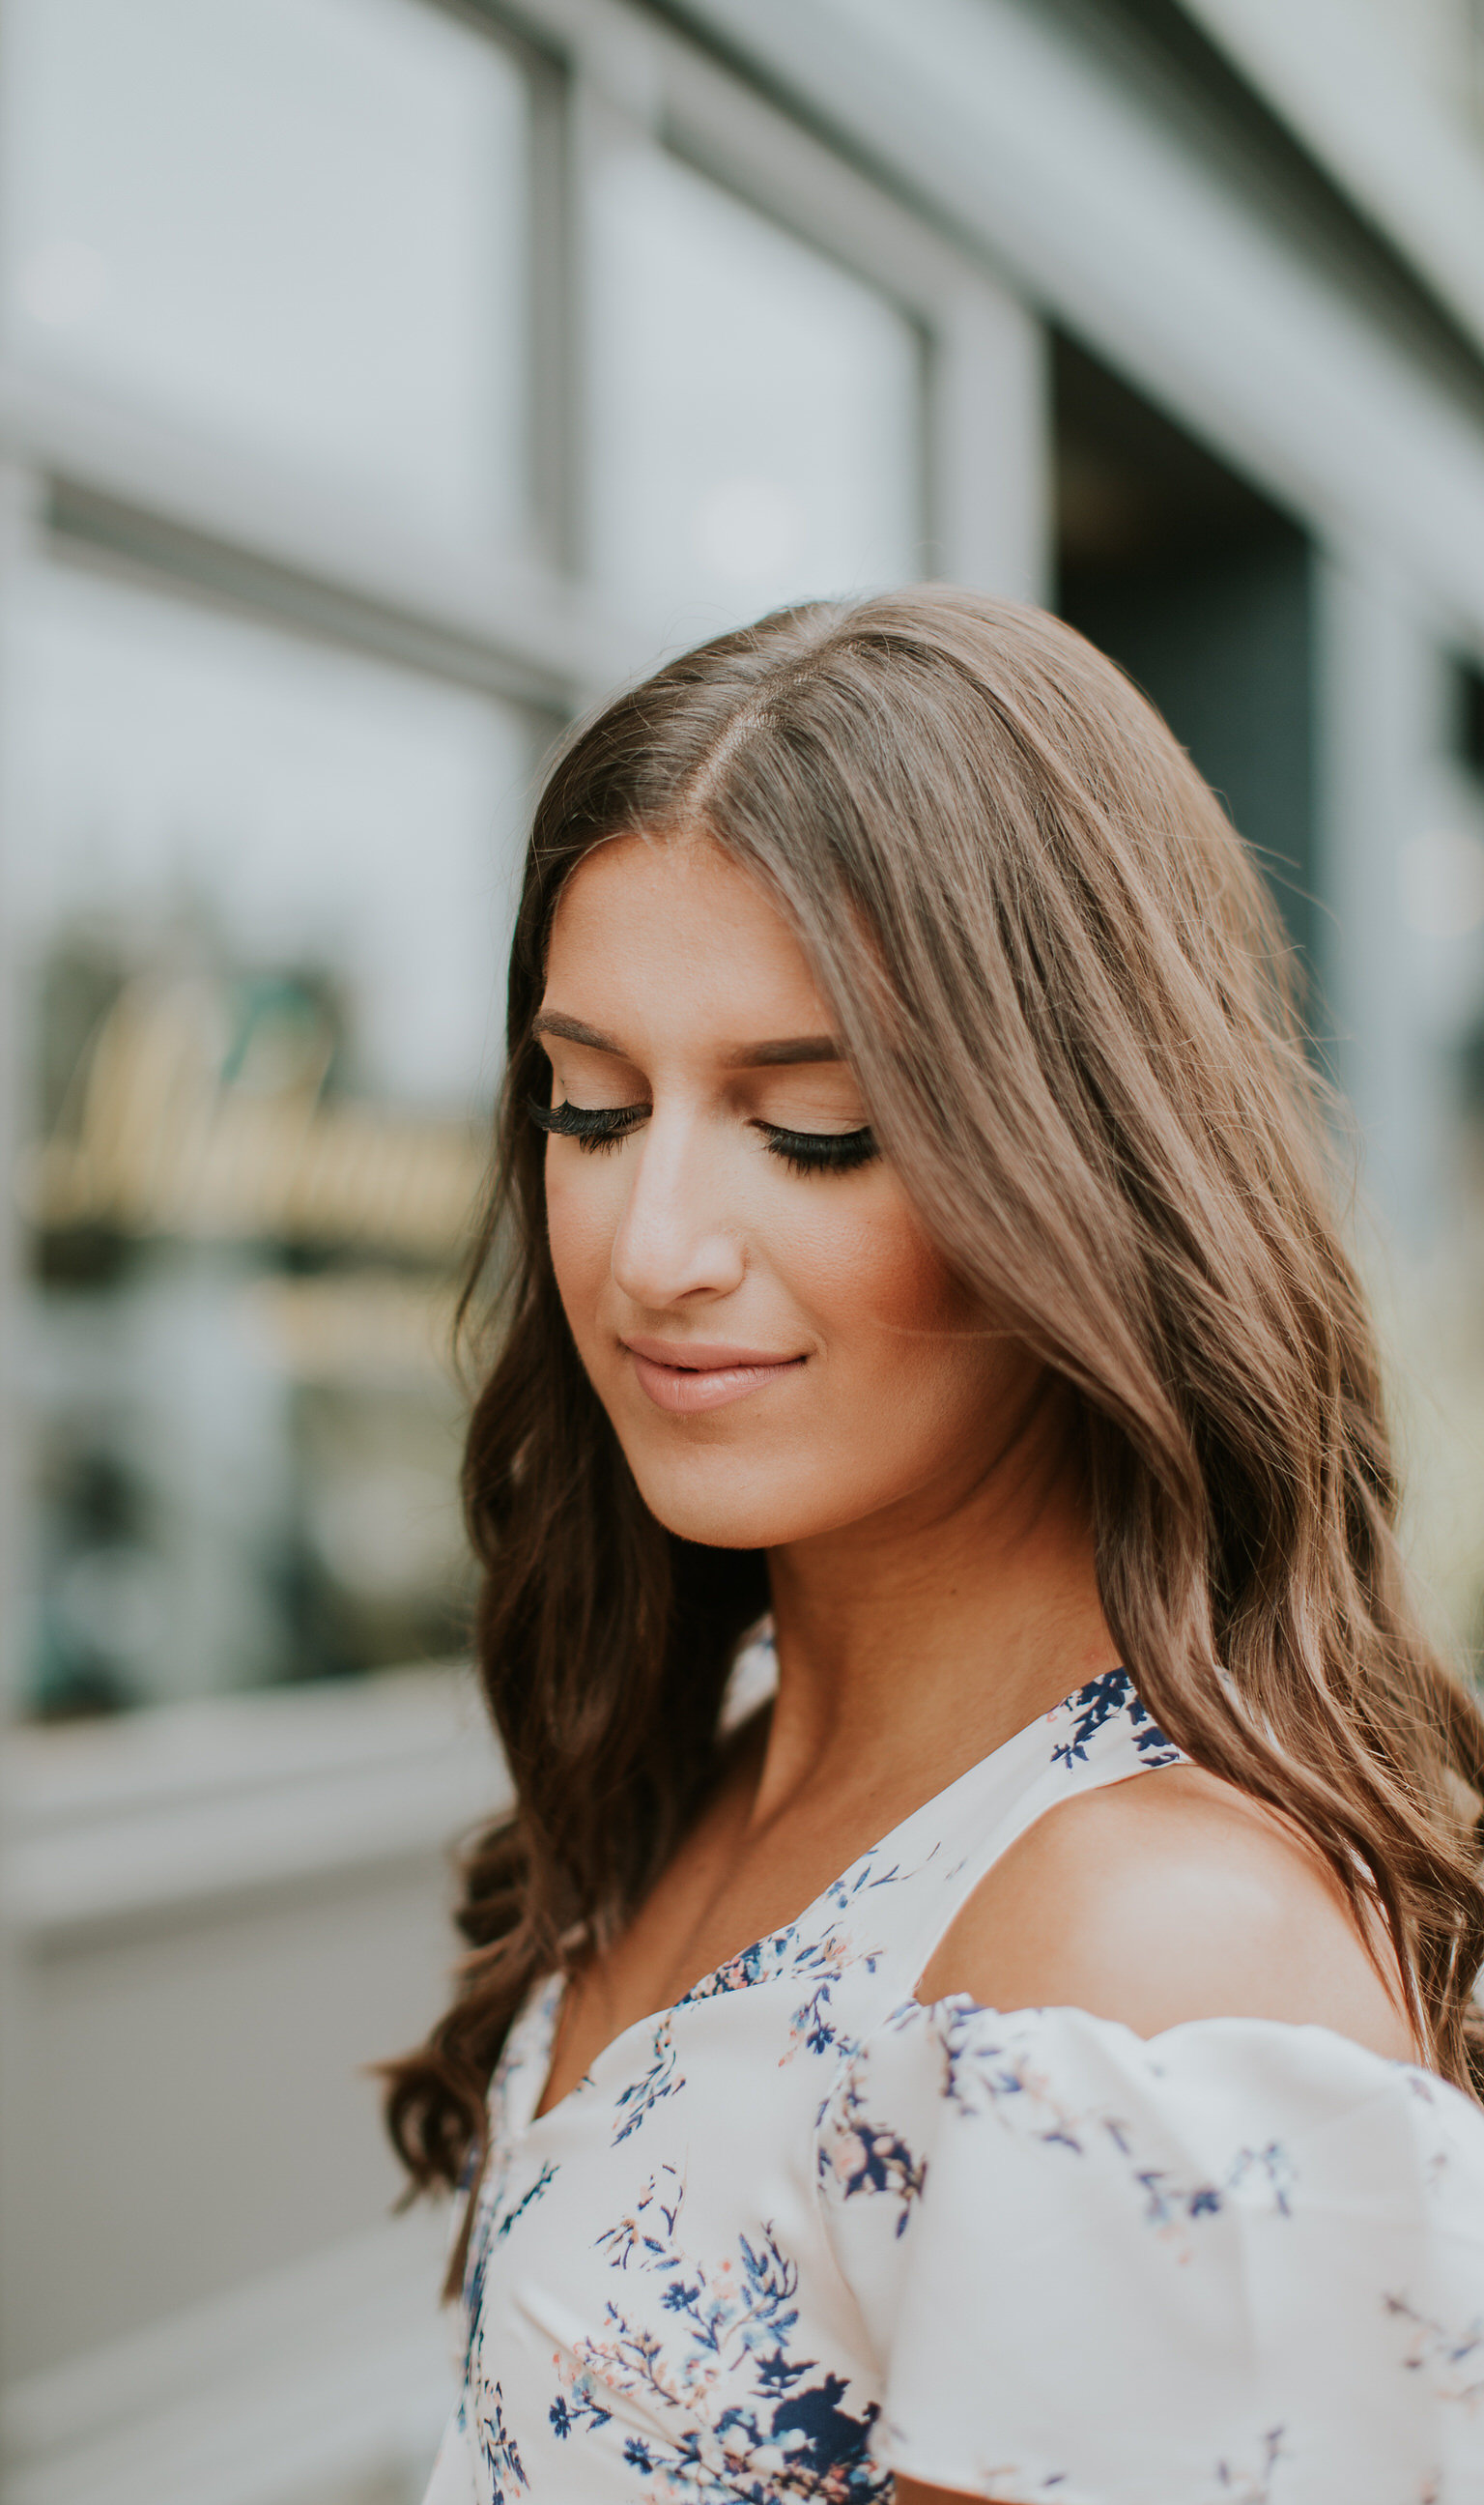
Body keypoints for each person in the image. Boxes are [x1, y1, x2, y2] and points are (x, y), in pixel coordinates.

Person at [388, 588, 1484, 2505]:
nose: (651, 1249)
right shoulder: (727, 1749)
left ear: (1089, 1165)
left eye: (809, 1130)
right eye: (590, 1105)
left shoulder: (1143, 1966)